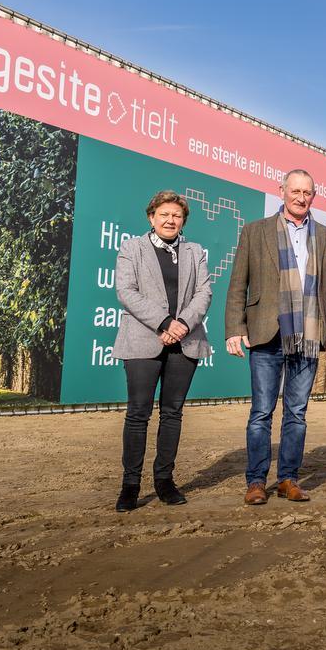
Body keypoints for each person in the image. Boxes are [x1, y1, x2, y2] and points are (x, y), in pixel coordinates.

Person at [225, 169, 326, 505]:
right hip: (267, 334)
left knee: (297, 413)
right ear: (282, 191)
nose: (300, 197)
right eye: (295, 190)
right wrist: (235, 327)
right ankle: (256, 481)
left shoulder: (325, 238)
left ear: (313, 196)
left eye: (307, 192)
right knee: (261, 412)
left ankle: (288, 479)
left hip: (307, 335)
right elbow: (238, 284)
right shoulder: (255, 231)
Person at [112, 191, 213, 512]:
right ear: (151, 217)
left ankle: (164, 480)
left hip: (186, 339)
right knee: (138, 413)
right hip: (143, 339)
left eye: (177, 216)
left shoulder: (195, 251)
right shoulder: (132, 248)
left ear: (183, 221)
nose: (170, 220)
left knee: (172, 413)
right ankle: (130, 484)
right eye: (164, 215)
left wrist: (182, 323)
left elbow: (204, 291)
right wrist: (165, 322)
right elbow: (126, 292)